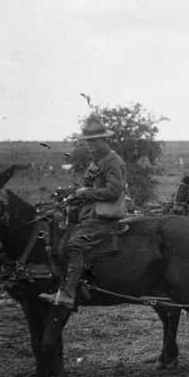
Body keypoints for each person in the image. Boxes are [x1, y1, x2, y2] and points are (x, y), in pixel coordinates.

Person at [39, 115, 127, 308]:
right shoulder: (97, 161)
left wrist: (85, 193)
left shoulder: (112, 161)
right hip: (89, 215)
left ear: (103, 140)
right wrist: (72, 195)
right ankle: (65, 286)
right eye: (87, 142)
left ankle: (69, 293)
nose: (89, 146)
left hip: (104, 218)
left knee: (76, 244)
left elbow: (114, 191)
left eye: (93, 141)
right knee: (59, 239)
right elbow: (86, 186)